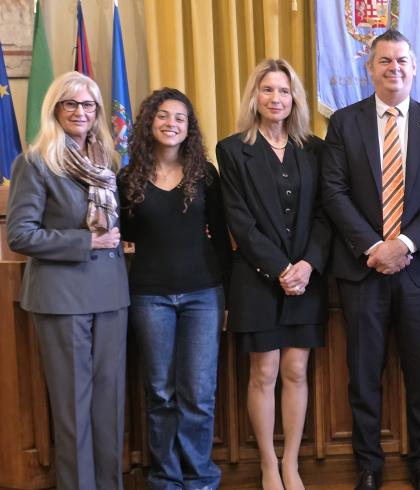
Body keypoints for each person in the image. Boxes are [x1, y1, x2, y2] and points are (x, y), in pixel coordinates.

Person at [321, 29, 420, 490]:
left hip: (419, 272)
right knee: (363, 376)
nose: (394, 68)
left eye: (402, 61)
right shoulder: (343, 123)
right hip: (363, 272)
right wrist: (374, 247)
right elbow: (334, 193)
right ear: (370, 68)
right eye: (384, 61)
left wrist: (404, 244)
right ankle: (368, 468)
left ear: (414, 68)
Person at [6, 71, 128, 490]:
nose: (81, 112)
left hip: (111, 295)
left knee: (110, 405)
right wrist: (86, 242)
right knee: (73, 410)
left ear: (97, 113)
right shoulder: (36, 162)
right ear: (55, 110)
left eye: (89, 105)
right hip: (61, 298)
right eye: (71, 104)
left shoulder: (105, 163)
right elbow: (20, 234)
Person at [216, 59, 331, 490]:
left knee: (297, 371)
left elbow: (326, 214)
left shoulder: (314, 149)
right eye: (268, 90)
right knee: (264, 372)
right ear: (255, 97)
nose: (276, 98)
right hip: (257, 279)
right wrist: (281, 268)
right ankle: (267, 464)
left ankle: (291, 463)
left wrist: (306, 265)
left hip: (307, 277)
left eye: (284, 91)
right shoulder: (231, 150)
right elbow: (239, 222)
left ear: (295, 98)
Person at [119, 88, 232, 490]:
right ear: (150, 122)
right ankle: (166, 477)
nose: (171, 124)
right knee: (161, 392)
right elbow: (126, 234)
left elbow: (221, 238)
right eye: (164, 116)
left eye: (180, 118)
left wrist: (227, 299)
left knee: (199, 393)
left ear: (190, 127)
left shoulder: (206, 174)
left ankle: (199, 476)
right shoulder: (127, 178)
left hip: (203, 294)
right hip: (150, 296)